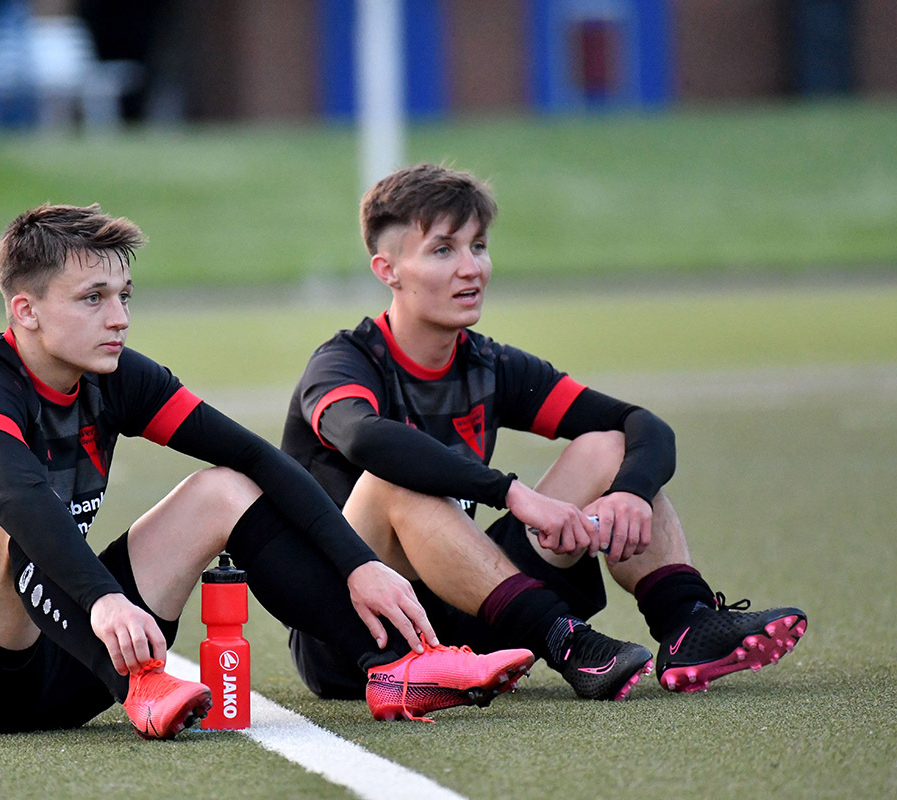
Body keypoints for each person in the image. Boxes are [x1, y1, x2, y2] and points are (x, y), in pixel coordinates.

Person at [0, 202, 537, 739]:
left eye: (124, 295)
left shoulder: (116, 376)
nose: (119, 318)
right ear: (26, 311)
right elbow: (17, 494)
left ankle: (390, 667)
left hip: (55, 669)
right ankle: (143, 684)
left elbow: (256, 456)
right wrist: (105, 601)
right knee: (14, 517)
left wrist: (357, 562)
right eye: (92, 298)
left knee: (226, 489)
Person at [282, 163, 807, 702]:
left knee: (608, 447)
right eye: (443, 250)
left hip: (464, 614)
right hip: (353, 637)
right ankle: (565, 640)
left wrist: (630, 491)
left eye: (479, 246)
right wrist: (512, 493)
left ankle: (687, 624)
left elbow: (641, 425)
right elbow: (366, 440)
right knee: (388, 481)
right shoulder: (344, 363)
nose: (471, 268)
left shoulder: (491, 365)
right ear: (387, 270)